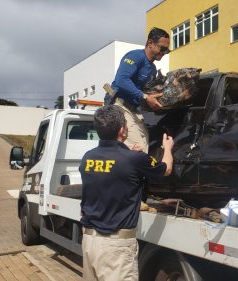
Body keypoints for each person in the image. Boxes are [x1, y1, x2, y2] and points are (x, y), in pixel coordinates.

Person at [79, 105, 174, 281]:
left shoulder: (87, 158)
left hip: (89, 242)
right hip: (116, 247)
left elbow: (111, 169)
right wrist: (167, 148)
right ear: (123, 130)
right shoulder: (134, 159)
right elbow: (165, 169)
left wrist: (130, 155)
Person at [111, 27, 170, 154]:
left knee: (144, 141)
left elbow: (147, 93)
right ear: (150, 43)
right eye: (162, 48)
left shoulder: (153, 69)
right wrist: (144, 97)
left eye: (167, 50)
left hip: (134, 109)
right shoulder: (135, 56)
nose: (164, 52)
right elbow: (121, 80)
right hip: (120, 105)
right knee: (137, 147)